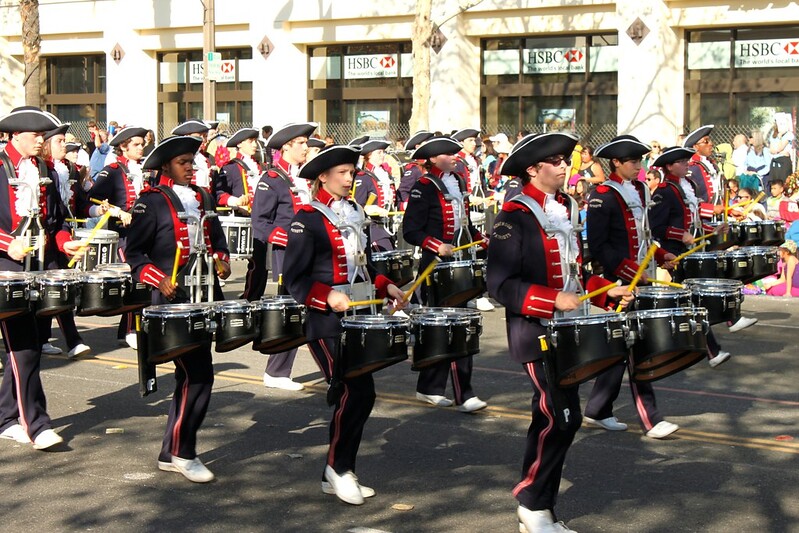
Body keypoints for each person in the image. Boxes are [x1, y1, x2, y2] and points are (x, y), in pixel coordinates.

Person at [486, 132, 633, 533]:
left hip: (568, 330)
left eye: (566, 159)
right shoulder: (513, 216)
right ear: (533, 170)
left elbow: (573, 277)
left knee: (558, 417)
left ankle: (539, 506)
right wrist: (549, 299)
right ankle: (532, 504)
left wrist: (603, 293)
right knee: (560, 416)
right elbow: (499, 284)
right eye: (556, 161)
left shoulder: (564, 206)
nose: (566, 166)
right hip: (535, 333)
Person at [283, 144, 407, 505]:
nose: (351, 179)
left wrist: (386, 286)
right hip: (325, 323)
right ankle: (339, 469)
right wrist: (327, 296)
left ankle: (334, 471)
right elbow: (294, 278)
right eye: (344, 173)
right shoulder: (305, 218)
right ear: (323, 176)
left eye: (352, 173)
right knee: (356, 392)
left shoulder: (354, 210)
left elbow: (363, 264)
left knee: (359, 394)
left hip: (359, 319)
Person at [126, 135, 231, 482]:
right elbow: (135, 253)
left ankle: (170, 451)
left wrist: (222, 259)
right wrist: (157, 278)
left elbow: (215, 234)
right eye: (183, 162)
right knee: (199, 373)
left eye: (192, 161)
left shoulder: (203, 196)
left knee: (189, 375)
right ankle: (184, 452)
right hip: (171, 301)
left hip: (205, 296)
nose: (191, 167)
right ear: (167, 166)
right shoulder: (151, 201)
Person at [0, 106, 87, 450]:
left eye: (43, 136)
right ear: (15, 136)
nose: (42, 141)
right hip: (6, 272)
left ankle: (7, 418)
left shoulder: (46, 170)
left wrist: (68, 243)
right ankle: (37, 424)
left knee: (26, 348)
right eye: (35, 136)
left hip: (40, 270)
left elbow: (58, 222)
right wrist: (9, 244)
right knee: (24, 350)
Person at [586, 135, 679, 439]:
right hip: (617, 281)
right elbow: (599, 246)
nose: (639, 167)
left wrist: (662, 254)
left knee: (622, 345)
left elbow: (646, 233)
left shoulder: (640, 188)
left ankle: (598, 408)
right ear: (616, 162)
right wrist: (628, 272)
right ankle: (651, 419)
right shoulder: (602, 194)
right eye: (633, 162)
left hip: (641, 277)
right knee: (637, 345)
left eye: (640, 161)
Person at [403, 136, 488, 412]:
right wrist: (436, 245)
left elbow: (463, 224)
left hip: (462, 264)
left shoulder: (458, 183)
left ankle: (436, 388)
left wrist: (481, 238)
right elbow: (411, 231)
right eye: (449, 153)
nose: (455, 156)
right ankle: (456, 391)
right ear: (433, 159)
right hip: (436, 268)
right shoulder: (423, 187)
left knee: (460, 326)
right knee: (443, 328)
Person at [649, 146, 736, 367]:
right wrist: (680, 235)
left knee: (687, 301)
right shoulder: (664, 191)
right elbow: (657, 227)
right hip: (674, 252)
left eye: (687, 161)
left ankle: (706, 343)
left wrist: (712, 229)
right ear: (669, 166)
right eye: (681, 162)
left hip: (690, 250)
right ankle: (712, 347)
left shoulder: (685, 187)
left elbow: (693, 221)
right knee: (691, 301)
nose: (687, 165)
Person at [246, 122, 317, 391]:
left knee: (312, 307)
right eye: (301, 143)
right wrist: (291, 239)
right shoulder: (272, 179)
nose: (306, 147)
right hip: (287, 254)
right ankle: (276, 371)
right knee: (292, 309)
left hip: (311, 252)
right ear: (286, 146)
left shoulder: (303, 177)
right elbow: (261, 224)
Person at [89, 125, 149, 350]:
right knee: (135, 278)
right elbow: (93, 199)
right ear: (124, 147)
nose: (141, 148)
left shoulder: (143, 169)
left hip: (142, 232)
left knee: (140, 280)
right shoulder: (113, 170)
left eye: (142, 144)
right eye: (137, 144)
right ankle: (131, 329)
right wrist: (117, 211)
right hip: (123, 235)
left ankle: (127, 328)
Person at [38, 122, 91, 359]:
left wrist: (97, 212)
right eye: (60, 141)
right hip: (37, 242)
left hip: (58, 238)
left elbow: (73, 206)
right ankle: (69, 339)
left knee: (56, 289)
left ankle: (60, 339)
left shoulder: (65, 170)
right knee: (51, 290)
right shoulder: (42, 170)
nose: (65, 145)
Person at [353, 139, 396, 251]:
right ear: (369, 156)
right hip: (373, 228)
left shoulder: (385, 174)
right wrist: (369, 208)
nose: (382, 155)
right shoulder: (363, 177)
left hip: (388, 227)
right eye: (379, 152)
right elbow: (357, 206)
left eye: (383, 152)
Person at [215, 127, 261, 213]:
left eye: (255, 141)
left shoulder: (260, 167)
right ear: (239, 144)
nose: (255, 145)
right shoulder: (231, 167)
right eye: (250, 141)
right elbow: (220, 195)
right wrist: (236, 202)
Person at [171, 119, 217, 192]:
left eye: (205, 136)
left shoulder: (208, 158)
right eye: (199, 136)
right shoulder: (173, 158)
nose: (203, 140)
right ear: (186, 136)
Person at [684, 125, 723, 204]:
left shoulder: (712, 165)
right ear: (695, 147)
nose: (711, 144)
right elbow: (689, 199)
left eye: (710, 140)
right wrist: (711, 209)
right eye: (706, 141)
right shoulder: (692, 167)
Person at [396, 131, 434, 211]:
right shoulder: (415, 169)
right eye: (426, 143)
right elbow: (403, 191)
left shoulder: (433, 165)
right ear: (417, 147)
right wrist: (413, 204)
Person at [768, 113, 794, 188]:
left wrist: (779, 137)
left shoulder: (789, 134)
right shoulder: (773, 134)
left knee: (784, 183)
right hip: (775, 162)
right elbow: (772, 150)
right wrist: (778, 151)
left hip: (784, 162)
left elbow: (780, 147)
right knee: (774, 184)